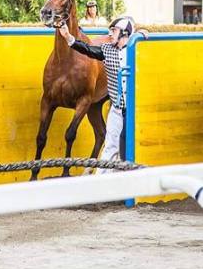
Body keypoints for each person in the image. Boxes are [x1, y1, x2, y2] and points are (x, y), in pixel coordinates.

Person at [56, 16, 145, 173]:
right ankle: (101, 183)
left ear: (125, 34)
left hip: (134, 111)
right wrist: (68, 37)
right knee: (110, 146)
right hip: (117, 109)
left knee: (126, 149)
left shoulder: (136, 50)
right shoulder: (108, 50)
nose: (110, 34)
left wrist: (143, 33)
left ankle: (124, 186)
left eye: (114, 31)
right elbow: (88, 49)